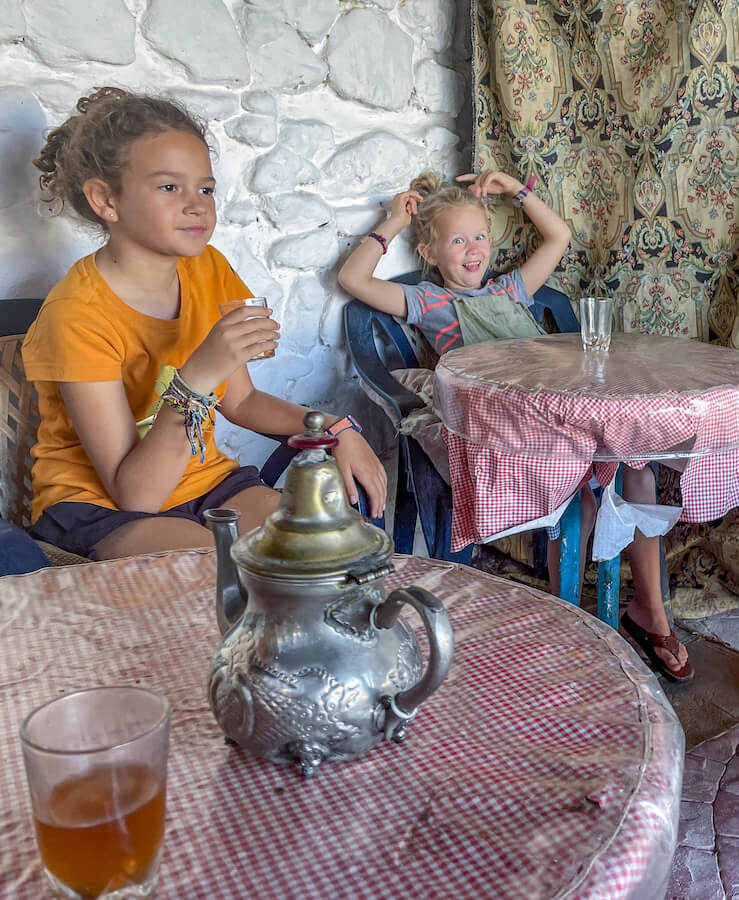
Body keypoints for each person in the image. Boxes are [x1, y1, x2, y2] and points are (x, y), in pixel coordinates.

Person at [338, 170, 691, 681]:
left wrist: (518, 192)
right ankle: (560, 603)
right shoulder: (429, 303)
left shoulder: (512, 289)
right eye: (456, 240)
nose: (472, 249)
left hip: (562, 408)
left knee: (639, 467)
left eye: (480, 236)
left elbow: (559, 237)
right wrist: (392, 221)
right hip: (515, 424)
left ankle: (648, 611)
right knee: (583, 496)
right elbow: (353, 280)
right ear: (430, 253)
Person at [22, 87, 387, 561]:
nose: (196, 204)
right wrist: (198, 375)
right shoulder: (76, 315)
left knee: (325, 550)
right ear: (106, 200)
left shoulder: (208, 269)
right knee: (210, 572)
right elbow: (137, 495)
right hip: (97, 505)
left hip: (204, 483)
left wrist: (337, 427)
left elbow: (244, 400)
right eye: (169, 187)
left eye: (206, 188)